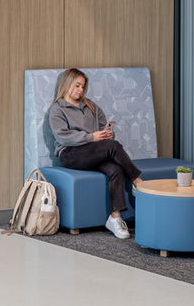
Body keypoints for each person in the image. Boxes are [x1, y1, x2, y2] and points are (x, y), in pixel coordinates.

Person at [47, 68, 144, 239]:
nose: (80, 90)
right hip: (71, 154)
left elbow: (102, 129)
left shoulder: (91, 106)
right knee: (112, 146)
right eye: (77, 86)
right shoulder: (57, 109)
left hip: (93, 152)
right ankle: (137, 181)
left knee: (116, 170)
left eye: (83, 87)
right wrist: (92, 137)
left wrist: (107, 134)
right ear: (67, 84)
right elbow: (63, 137)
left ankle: (115, 218)